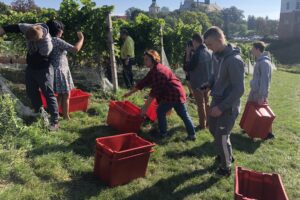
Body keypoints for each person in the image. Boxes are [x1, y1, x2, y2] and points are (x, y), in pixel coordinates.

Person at [124, 50, 196, 141]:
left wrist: (145, 108)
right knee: (182, 114)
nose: (144, 61)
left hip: (173, 94)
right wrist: (130, 93)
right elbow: (143, 82)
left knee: (161, 111)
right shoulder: (155, 69)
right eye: (144, 59)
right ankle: (192, 135)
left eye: (147, 59)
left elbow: (154, 92)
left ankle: (163, 133)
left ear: (153, 59)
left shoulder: (158, 71)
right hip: (177, 92)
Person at [202, 27, 245, 176]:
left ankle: (225, 167)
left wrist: (221, 107)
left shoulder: (234, 61)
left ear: (220, 40)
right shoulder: (216, 55)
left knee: (221, 135)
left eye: (210, 45)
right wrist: (208, 84)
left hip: (228, 106)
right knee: (213, 129)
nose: (208, 48)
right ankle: (226, 153)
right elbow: (215, 76)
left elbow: (239, 89)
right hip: (217, 100)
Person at [0, 23, 59, 131]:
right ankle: (39, 113)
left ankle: (54, 121)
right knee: (31, 91)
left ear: (40, 38)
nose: (31, 43)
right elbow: (15, 27)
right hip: (31, 68)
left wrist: (10, 60)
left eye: (33, 41)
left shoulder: (46, 45)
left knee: (48, 93)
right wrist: (3, 30)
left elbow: (32, 60)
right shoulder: (29, 28)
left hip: (43, 68)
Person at [46, 20, 84, 120]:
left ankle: (55, 115)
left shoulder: (48, 40)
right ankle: (66, 117)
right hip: (60, 71)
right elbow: (75, 49)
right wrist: (81, 39)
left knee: (59, 95)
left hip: (55, 70)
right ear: (58, 30)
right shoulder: (57, 40)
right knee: (66, 94)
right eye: (62, 30)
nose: (63, 32)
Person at [246, 41, 274, 139]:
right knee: (252, 109)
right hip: (255, 90)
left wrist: (262, 96)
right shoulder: (260, 61)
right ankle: (249, 127)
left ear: (258, 49)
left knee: (262, 112)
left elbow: (264, 81)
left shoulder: (264, 63)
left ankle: (267, 133)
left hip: (259, 92)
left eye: (253, 49)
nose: (251, 50)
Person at [186, 33, 212, 130]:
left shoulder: (197, 54)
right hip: (207, 82)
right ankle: (209, 122)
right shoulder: (209, 51)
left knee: (200, 104)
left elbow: (188, 67)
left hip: (197, 83)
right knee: (207, 102)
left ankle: (202, 125)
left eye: (192, 42)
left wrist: (188, 54)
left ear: (195, 41)